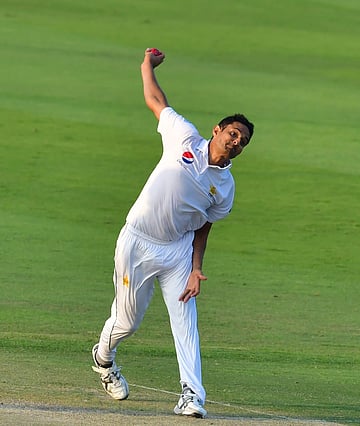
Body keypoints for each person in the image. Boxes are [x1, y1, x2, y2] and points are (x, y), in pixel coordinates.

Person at [91, 47, 254, 418]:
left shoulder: (225, 188)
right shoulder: (183, 137)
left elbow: (203, 230)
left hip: (178, 252)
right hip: (137, 241)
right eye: (233, 134)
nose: (236, 142)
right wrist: (146, 65)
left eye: (243, 141)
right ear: (217, 130)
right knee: (126, 323)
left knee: (186, 323)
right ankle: (104, 358)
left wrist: (196, 268)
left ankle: (192, 396)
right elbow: (155, 99)